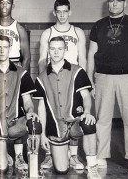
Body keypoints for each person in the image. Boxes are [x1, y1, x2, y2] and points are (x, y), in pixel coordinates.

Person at [87, 0, 128, 172]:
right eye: (111, 0)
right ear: (107, 2)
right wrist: (90, 80)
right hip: (103, 77)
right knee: (102, 119)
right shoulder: (98, 25)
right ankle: (101, 155)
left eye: (118, 1)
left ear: (125, 3)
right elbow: (90, 55)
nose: (114, 4)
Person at [34, 36, 100, 178]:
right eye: (52, 49)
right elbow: (41, 108)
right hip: (56, 127)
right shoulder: (40, 78)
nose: (56, 52)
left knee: (88, 123)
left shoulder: (77, 71)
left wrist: (87, 111)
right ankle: (66, 155)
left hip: (75, 122)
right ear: (48, 51)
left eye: (60, 48)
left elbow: (86, 96)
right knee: (61, 170)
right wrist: (43, 134)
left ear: (65, 50)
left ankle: (92, 167)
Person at [38, 0, 87, 170]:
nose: (62, 15)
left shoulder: (78, 32)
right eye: (59, 11)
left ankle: (73, 155)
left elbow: (83, 58)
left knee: (73, 116)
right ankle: (50, 155)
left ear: (70, 12)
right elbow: (42, 60)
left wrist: (85, 83)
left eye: (65, 11)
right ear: (54, 12)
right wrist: (46, 82)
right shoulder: (47, 33)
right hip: (53, 79)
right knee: (52, 116)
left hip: (73, 80)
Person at [0, 35, 40, 172]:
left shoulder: (22, 73)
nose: (2, 51)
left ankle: (19, 156)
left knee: (34, 121)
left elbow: (27, 101)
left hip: (14, 124)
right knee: (2, 168)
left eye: (5, 47)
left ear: (10, 49)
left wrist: (30, 111)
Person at [0, 0, 30, 69]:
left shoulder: (20, 28)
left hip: (14, 64)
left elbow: (27, 57)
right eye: (2, 3)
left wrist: (21, 76)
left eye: (8, 3)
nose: (4, 6)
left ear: (12, 6)